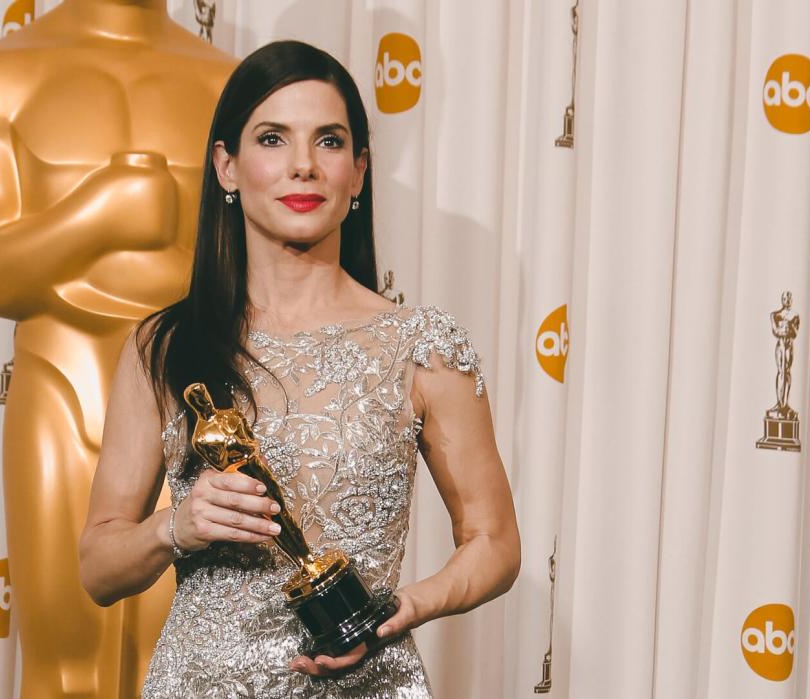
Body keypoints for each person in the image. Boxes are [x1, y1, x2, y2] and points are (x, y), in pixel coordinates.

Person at [78, 40, 520, 697]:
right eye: (273, 139)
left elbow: (495, 541)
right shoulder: (164, 346)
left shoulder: (422, 346)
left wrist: (410, 605)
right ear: (226, 166)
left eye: (330, 142)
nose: (304, 167)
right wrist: (178, 525)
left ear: (360, 170)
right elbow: (98, 566)